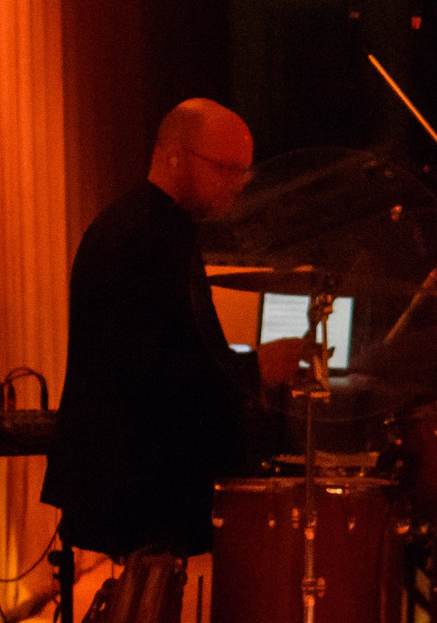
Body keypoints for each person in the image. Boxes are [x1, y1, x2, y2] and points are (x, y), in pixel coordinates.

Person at [43, 100, 303, 563]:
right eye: (226, 168)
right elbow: (160, 372)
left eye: (245, 173)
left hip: (130, 475)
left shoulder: (149, 226)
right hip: (137, 484)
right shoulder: (146, 238)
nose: (238, 186)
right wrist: (258, 366)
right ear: (174, 157)